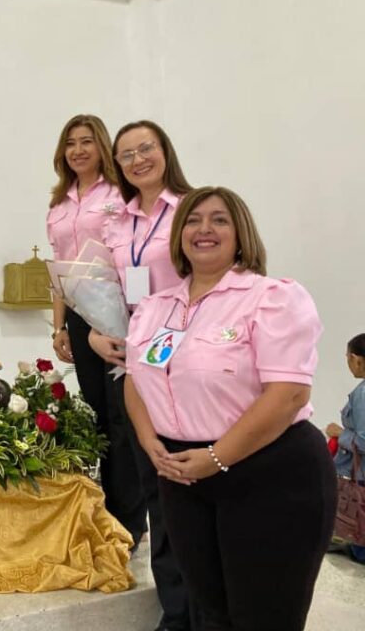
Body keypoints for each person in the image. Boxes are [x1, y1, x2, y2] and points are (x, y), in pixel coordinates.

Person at [124, 186, 335, 631]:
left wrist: (217, 458)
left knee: (264, 618)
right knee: (210, 614)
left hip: (268, 472)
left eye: (219, 220)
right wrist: (149, 441)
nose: (204, 229)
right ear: (179, 235)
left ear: (241, 234)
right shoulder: (156, 308)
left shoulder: (271, 298)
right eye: (193, 220)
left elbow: (288, 394)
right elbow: (136, 378)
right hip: (184, 477)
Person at [88, 120, 195, 631]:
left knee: (186, 487)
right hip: (134, 362)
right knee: (153, 486)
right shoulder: (118, 220)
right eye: (126, 154)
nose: (137, 160)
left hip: (183, 360)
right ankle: (175, 609)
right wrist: (96, 333)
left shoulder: (192, 209)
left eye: (145, 148)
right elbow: (107, 287)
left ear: (164, 151)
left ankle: (200, 607)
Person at [46, 114, 145, 547]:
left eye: (86, 141)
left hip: (118, 312)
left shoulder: (119, 194)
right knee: (99, 414)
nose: (78, 150)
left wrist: (139, 315)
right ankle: (107, 510)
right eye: (70, 143)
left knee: (124, 414)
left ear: (101, 146)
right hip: (79, 316)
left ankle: (130, 521)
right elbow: (58, 271)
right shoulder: (59, 203)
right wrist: (59, 326)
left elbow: (134, 255)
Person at [327, 333, 365, 563]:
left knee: (357, 517)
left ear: (356, 359)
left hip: (361, 474)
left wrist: (339, 433)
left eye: (347, 358)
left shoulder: (363, 394)